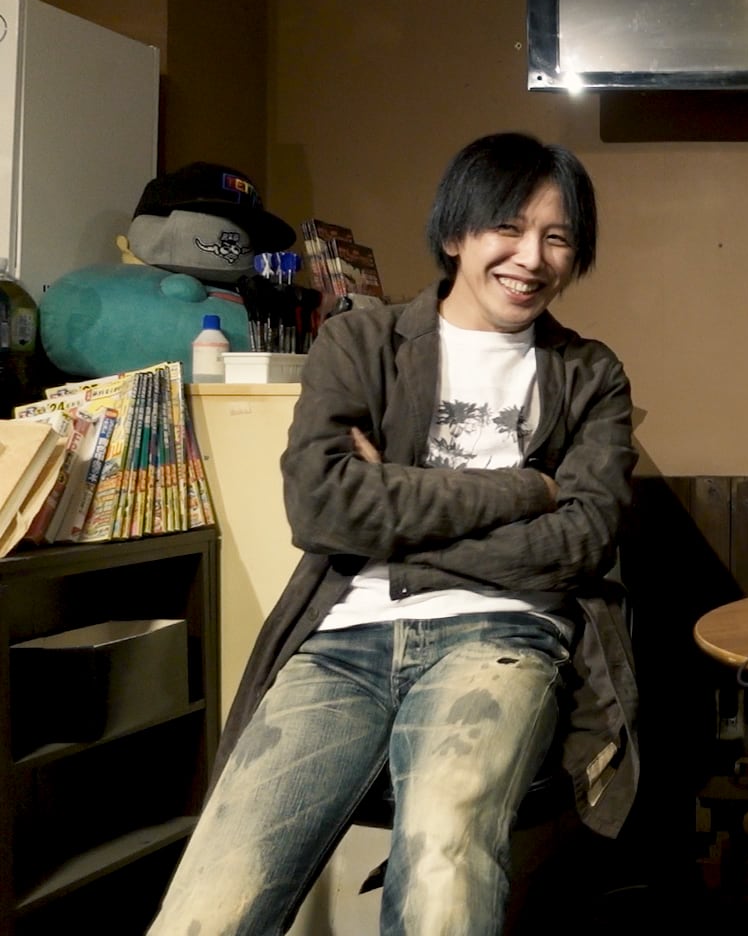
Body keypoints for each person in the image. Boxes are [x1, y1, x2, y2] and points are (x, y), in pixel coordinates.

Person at [150, 132, 640, 935]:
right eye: (508, 228)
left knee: (445, 854)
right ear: (456, 234)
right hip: (342, 642)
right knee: (214, 898)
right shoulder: (361, 342)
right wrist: (527, 489)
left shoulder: (589, 373)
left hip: (503, 638)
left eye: (557, 237)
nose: (531, 257)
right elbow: (321, 508)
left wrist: (393, 520)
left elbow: (583, 540)